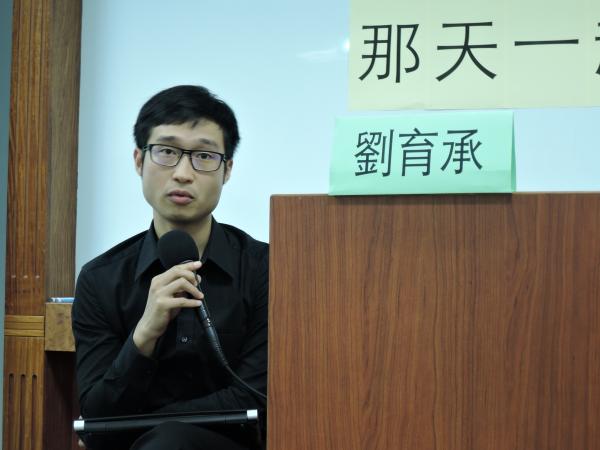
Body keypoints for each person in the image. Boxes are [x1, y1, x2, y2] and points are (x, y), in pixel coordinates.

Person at [72, 85, 268, 450]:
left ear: (227, 170)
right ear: (139, 160)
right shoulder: (100, 280)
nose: (182, 173)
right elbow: (95, 419)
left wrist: (145, 428)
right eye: (166, 151)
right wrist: (144, 334)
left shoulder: (265, 269)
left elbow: (259, 399)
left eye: (204, 156)